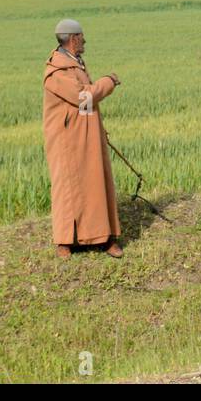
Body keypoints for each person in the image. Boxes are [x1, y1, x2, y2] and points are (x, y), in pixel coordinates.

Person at [41, 18, 123, 258]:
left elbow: (84, 109)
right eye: (82, 36)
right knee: (67, 189)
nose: (85, 40)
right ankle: (65, 241)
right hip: (67, 142)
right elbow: (82, 98)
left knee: (95, 185)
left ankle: (102, 238)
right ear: (73, 38)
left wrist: (96, 129)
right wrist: (108, 82)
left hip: (86, 137)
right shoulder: (56, 71)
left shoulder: (75, 63)